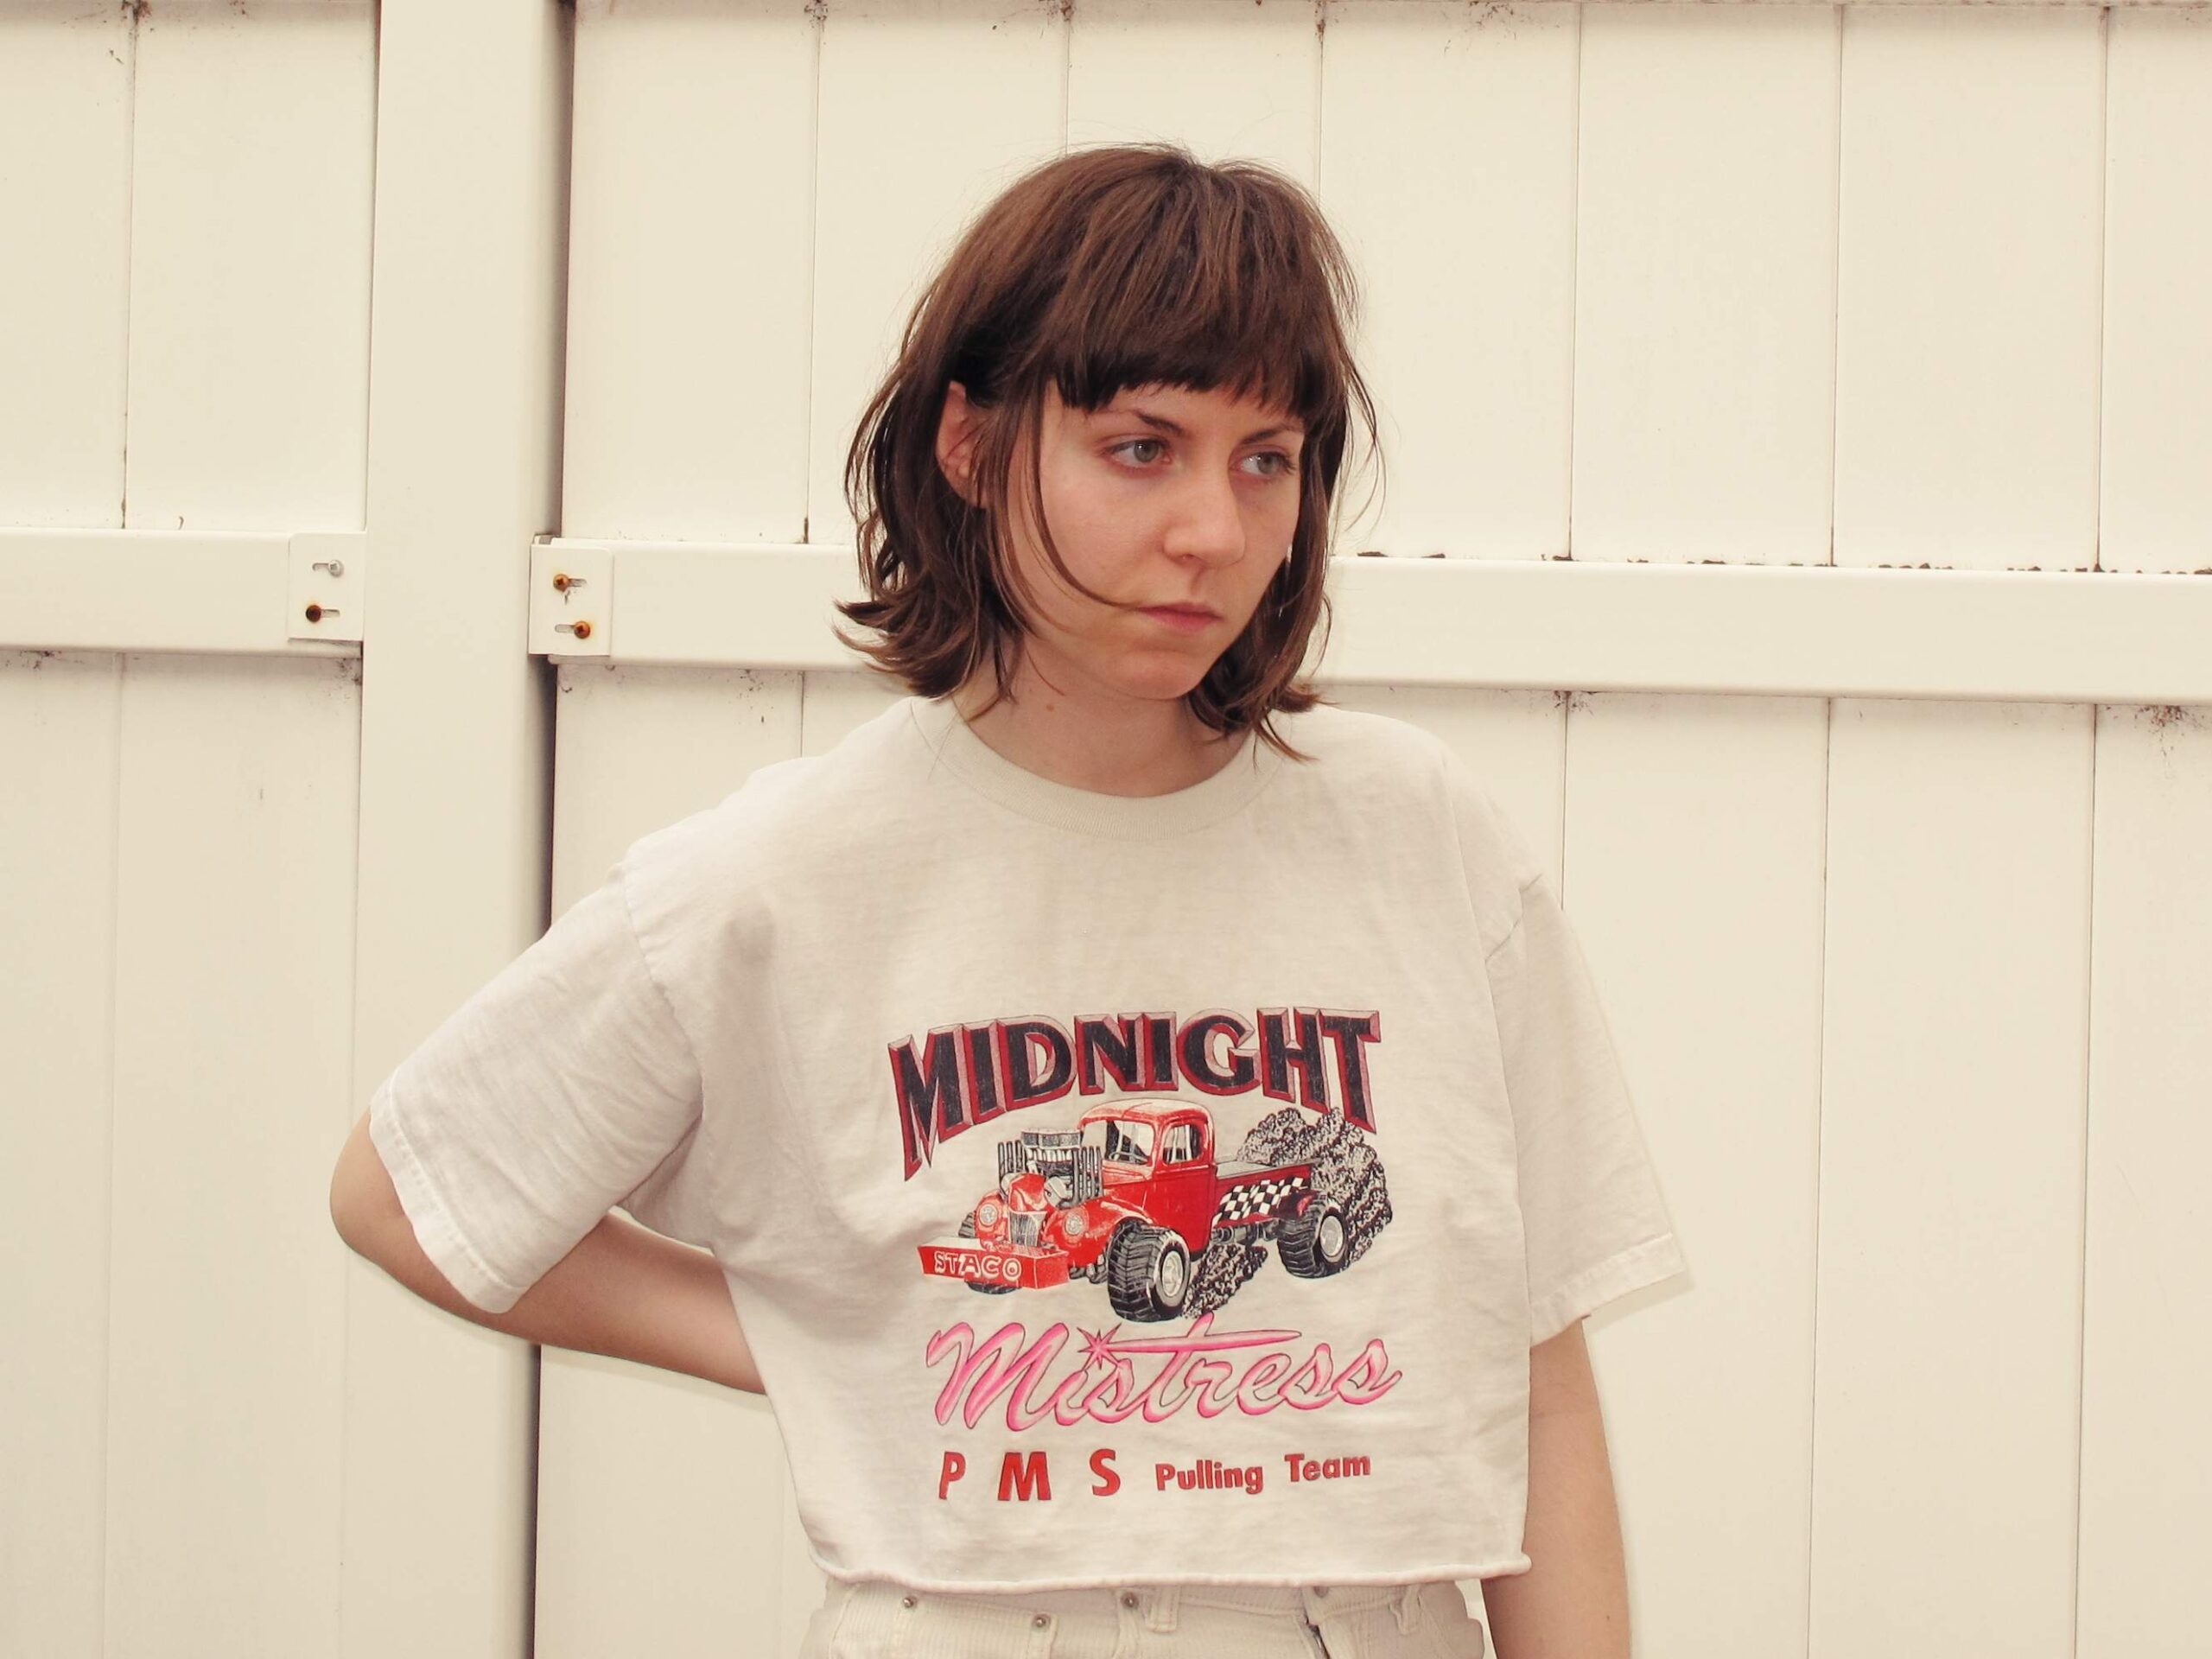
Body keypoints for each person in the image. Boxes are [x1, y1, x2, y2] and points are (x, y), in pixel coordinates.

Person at [327, 141, 1689, 1659]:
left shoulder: (1421, 837)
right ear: (972, 448)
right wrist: (819, 1344)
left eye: (1267, 459)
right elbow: (407, 1196)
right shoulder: (789, 872)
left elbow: (1536, 1375)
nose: (1215, 532)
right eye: (1141, 448)